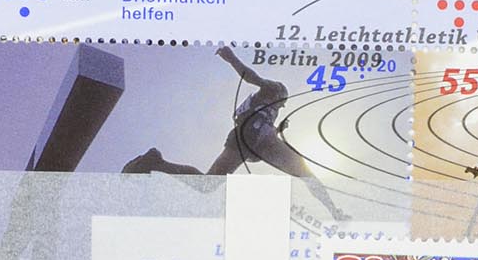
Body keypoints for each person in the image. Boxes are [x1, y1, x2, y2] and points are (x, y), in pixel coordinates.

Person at [121, 45, 345, 218]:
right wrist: (231, 58)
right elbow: (252, 76)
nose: (283, 105)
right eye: (283, 101)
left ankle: (156, 163)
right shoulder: (272, 90)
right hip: (249, 139)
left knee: (207, 185)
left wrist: (277, 130)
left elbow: (262, 128)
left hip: (247, 140)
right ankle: (334, 209)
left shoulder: (267, 108)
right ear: (280, 94)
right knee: (305, 173)